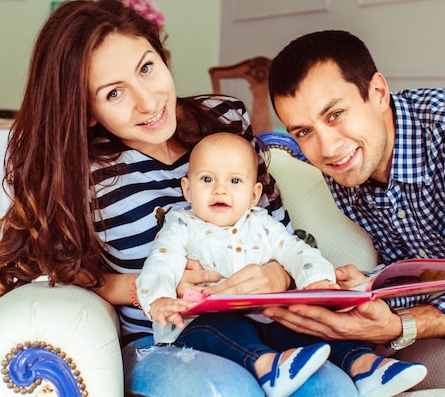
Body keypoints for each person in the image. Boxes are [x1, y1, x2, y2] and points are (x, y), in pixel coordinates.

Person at [0, 0, 359, 397]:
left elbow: (278, 230)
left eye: (147, 68)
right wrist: (148, 288)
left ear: (163, 58)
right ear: (88, 110)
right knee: (227, 390)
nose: (148, 102)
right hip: (163, 341)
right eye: (114, 94)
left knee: (330, 387)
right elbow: (59, 270)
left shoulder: (226, 119)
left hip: (264, 324)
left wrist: (277, 275)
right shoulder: (84, 171)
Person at [265, 30, 445, 359]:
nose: (327, 148)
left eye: (335, 115)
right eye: (304, 131)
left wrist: (401, 325)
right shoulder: (348, 162)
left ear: (377, 92)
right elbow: (415, 270)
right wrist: (365, 289)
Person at [137, 132, 427, 397]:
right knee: (217, 328)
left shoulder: (261, 223)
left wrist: (316, 281)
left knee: (304, 326)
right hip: (202, 324)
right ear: (187, 190)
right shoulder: (182, 224)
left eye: (234, 181)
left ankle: (365, 366)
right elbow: (162, 262)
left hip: (267, 317)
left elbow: (296, 251)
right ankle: (266, 366)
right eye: (207, 180)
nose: (220, 190)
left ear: (253, 195)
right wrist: (159, 298)